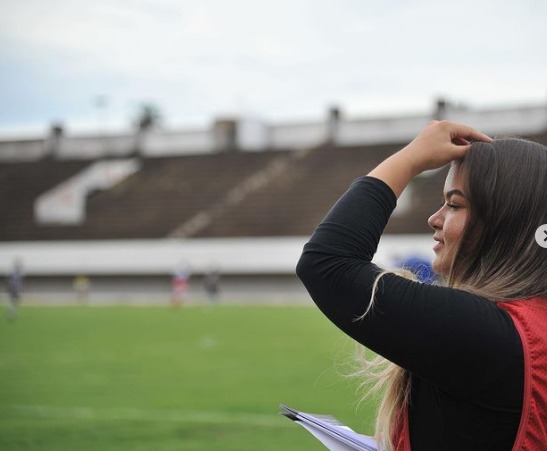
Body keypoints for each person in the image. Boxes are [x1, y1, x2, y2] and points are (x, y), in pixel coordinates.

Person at [296, 121, 547, 451]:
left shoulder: (488, 335)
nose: (435, 218)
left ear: (503, 223)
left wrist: (411, 158)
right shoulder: (529, 323)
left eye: (455, 204)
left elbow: (327, 262)